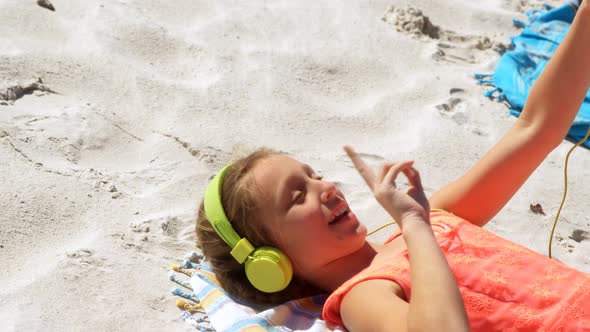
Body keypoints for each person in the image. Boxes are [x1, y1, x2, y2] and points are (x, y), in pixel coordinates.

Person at [195, 1, 590, 330]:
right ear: (273, 264)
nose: (327, 186)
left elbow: (537, 127)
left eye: (313, 175)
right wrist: (415, 227)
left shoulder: (436, 216)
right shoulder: (361, 295)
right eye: (298, 196)